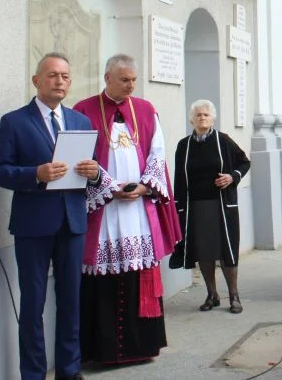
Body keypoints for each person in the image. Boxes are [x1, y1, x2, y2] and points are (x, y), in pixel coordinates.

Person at [0, 52, 102, 380]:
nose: (60, 81)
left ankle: (69, 370)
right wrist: (36, 174)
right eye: (52, 75)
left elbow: (91, 169)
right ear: (36, 80)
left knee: (70, 301)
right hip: (33, 223)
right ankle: (33, 373)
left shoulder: (81, 122)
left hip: (72, 221)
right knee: (33, 305)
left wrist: (94, 172)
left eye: (65, 76)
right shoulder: (14, 122)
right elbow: (0, 172)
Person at [72, 54, 182, 365]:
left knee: (137, 276)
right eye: (124, 80)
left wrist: (147, 186)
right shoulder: (84, 110)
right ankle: (102, 352)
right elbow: (80, 159)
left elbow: (158, 154)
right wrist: (109, 187)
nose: (130, 85)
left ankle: (141, 348)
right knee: (102, 283)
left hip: (137, 211)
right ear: (107, 78)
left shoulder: (146, 110)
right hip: (104, 212)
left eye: (133, 79)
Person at [171, 99, 250, 314]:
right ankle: (212, 294)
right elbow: (179, 178)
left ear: (213, 118)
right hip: (196, 207)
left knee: (227, 251)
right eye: (198, 115)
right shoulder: (184, 146)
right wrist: (178, 208)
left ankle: (233, 296)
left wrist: (232, 177)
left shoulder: (223, 140)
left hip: (222, 206)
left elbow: (244, 162)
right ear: (192, 119)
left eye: (206, 114)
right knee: (203, 252)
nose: (202, 118)